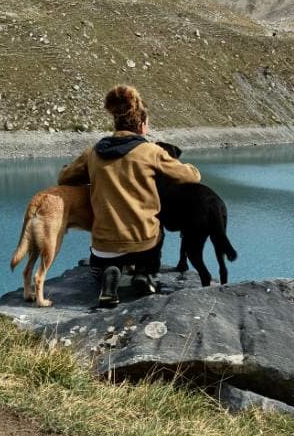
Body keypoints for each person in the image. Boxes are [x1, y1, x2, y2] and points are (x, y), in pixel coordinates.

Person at [57, 85, 201, 306]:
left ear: (115, 122)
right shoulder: (151, 151)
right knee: (157, 231)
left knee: (102, 260)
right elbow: (192, 177)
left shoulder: (93, 152)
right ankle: (144, 274)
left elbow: (64, 178)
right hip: (143, 245)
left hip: (104, 247)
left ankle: (109, 274)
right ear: (142, 125)